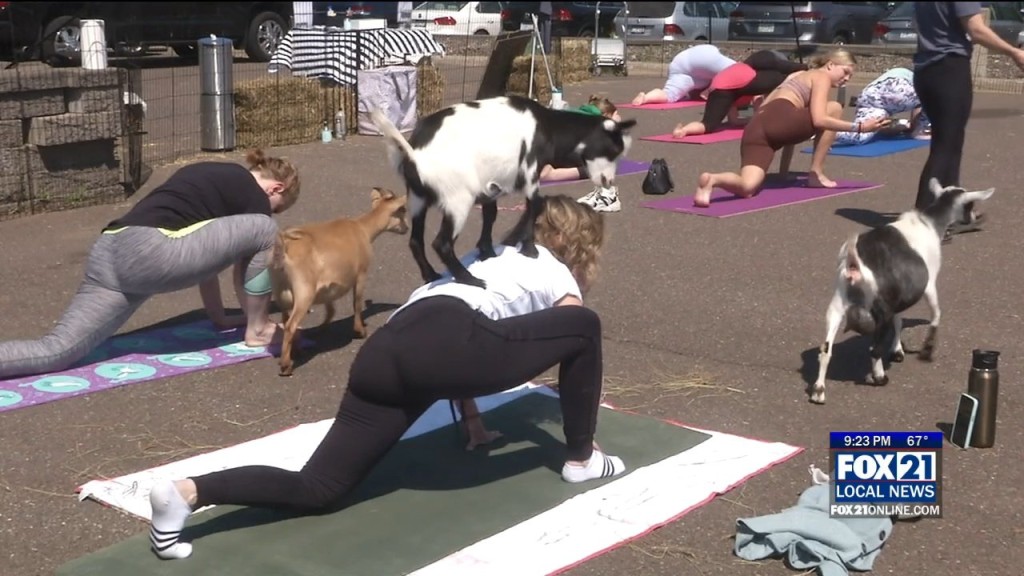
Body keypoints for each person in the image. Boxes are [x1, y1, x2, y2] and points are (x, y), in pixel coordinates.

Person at [146, 195, 624, 560]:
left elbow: (454, 337)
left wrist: (473, 420)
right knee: (584, 326)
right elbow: (561, 331)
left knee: (318, 487)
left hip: (386, 350)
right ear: (579, 245)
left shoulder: (490, 255)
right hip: (448, 342)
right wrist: (578, 428)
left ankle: (186, 493)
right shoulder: (553, 269)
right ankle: (582, 458)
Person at [0, 149, 301, 380]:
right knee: (266, 230)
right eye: (276, 208)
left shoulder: (213, 176)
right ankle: (259, 330)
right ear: (276, 188)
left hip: (110, 250)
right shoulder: (250, 191)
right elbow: (239, 256)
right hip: (149, 251)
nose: (270, 211)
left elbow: (205, 255)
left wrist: (219, 316)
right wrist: (255, 318)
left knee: (57, 350)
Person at [693, 49, 889, 208]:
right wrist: (861, 127)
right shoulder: (820, 77)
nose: (846, 79)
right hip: (778, 119)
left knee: (747, 186)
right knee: (834, 108)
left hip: (756, 127)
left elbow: (788, 131)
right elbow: (819, 120)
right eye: (845, 72)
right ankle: (816, 174)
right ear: (830, 65)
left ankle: (712, 180)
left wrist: (783, 172)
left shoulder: (796, 76)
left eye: (850, 76)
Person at [912, 2, 1024, 238]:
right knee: (946, 147)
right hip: (949, 68)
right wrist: (1014, 52)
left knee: (949, 144)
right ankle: (924, 221)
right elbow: (976, 30)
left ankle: (957, 213)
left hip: (926, 70)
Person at [672, 50, 808, 139]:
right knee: (782, 78)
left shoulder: (741, 85)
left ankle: (684, 130)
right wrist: (755, 118)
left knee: (707, 124)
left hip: (721, 85)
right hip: (730, 85)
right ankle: (803, 70)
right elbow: (741, 116)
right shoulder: (751, 85)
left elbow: (734, 120)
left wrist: (751, 118)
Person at [833, 67, 930, 146]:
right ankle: (919, 131)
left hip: (870, 95)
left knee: (859, 137)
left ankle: (828, 133)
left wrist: (914, 126)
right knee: (933, 97)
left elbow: (919, 105)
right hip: (900, 87)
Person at [631, 44, 736, 106]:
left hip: (680, 61)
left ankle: (646, 98)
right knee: (740, 73)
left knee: (668, 93)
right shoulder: (699, 82)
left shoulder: (693, 81)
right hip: (700, 58)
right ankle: (645, 98)